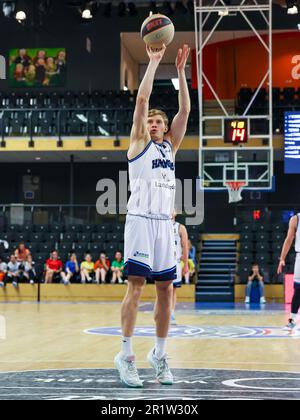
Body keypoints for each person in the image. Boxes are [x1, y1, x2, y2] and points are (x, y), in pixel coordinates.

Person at [114, 43, 190, 388]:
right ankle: (126, 354)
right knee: (136, 287)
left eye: (161, 121)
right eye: (153, 121)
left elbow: (185, 112)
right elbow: (142, 101)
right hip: (141, 220)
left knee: (165, 290)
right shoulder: (138, 143)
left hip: (164, 225)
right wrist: (155, 61)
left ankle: (159, 355)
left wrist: (180, 73)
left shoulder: (168, 149)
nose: (157, 124)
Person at [278, 214, 300, 328]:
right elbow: (289, 239)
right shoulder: (296, 219)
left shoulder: (295, 219)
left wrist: (282, 258)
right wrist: (282, 258)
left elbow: (289, 240)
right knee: (298, 291)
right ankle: (292, 319)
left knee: (298, 291)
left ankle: (292, 319)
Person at [171, 213, 189, 325]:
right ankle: (163, 312)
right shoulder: (160, 225)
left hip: (175, 262)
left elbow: (185, 246)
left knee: (172, 289)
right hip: (163, 261)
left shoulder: (180, 227)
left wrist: (186, 264)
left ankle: (171, 313)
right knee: (162, 289)